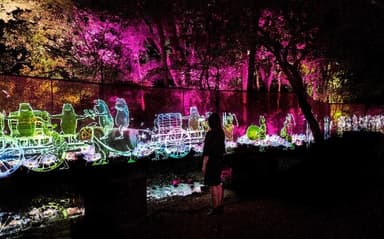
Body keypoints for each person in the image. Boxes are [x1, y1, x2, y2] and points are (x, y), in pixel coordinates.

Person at [202, 112, 225, 215]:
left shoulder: (210, 134)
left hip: (211, 162)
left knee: (213, 185)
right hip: (219, 160)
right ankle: (220, 206)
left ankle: (215, 207)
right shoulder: (221, 133)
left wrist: (204, 165)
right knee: (219, 183)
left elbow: (207, 152)